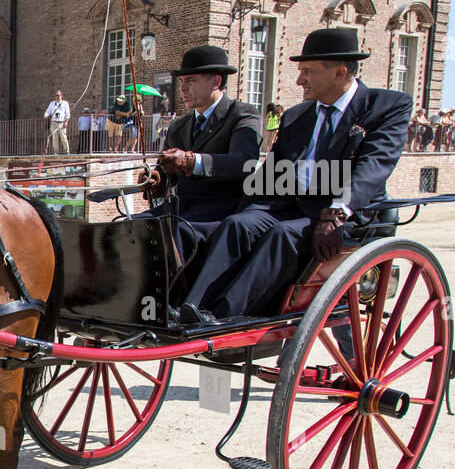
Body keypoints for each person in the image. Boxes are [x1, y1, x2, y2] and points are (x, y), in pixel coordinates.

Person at [179, 27, 413, 323]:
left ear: (339, 73)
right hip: (290, 205)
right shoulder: (297, 115)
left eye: (307, 72)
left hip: (341, 213)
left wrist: (338, 212)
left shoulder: (387, 106)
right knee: (237, 224)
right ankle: (191, 309)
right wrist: (245, 206)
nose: (299, 80)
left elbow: (375, 165)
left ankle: (223, 316)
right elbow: (272, 173)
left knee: (282, 234)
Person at [135, 44, 261, 263]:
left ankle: (174, 295)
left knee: (178, 233)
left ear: (215, 81)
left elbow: (244, 162)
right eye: (182, 82)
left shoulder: (242, 115)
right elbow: (167, 172)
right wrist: (155, 180)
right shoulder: (179, 126)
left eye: (190, 81)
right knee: (129, 226)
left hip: (220, 210)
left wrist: (191, 162)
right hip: (180, 207)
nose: (182, 88)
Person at [44, 90, 71, 154]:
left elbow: (68, 113)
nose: (57, 97)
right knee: (54, 138)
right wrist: (45, 115)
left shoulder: (65, 103)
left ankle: (67, 151)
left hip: (61, 122)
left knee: (63, 137)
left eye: (58, 95)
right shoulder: (52, 103)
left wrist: (66, 122)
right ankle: (56, 152)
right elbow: (48, 111)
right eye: (56, 95)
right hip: (54, 122)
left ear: (61, 96)